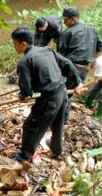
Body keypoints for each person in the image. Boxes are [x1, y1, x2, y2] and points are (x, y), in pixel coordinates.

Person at [11, 27, 82, 162]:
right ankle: (57, 150)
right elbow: (67, 63)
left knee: (30, 126)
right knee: (57, 124)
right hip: (62, 92)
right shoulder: (46, 49)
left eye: (15, 43)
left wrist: (23, 96)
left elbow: (26, 89)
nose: (14, 46)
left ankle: (24, 156)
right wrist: (77, 82)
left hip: (49, 98)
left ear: (23, 44)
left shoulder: (24, 61)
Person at [59, 7, 102, 123]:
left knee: (62, 93)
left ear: (73, 19)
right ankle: (63, 120)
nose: (64, 22)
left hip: (70, 68)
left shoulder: (67, 33)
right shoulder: (93, 29)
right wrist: (92, 61)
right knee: (69, 93)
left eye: (66, 20)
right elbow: (101, 49)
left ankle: (60, 120)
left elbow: (60, 57)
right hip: (84, 70)